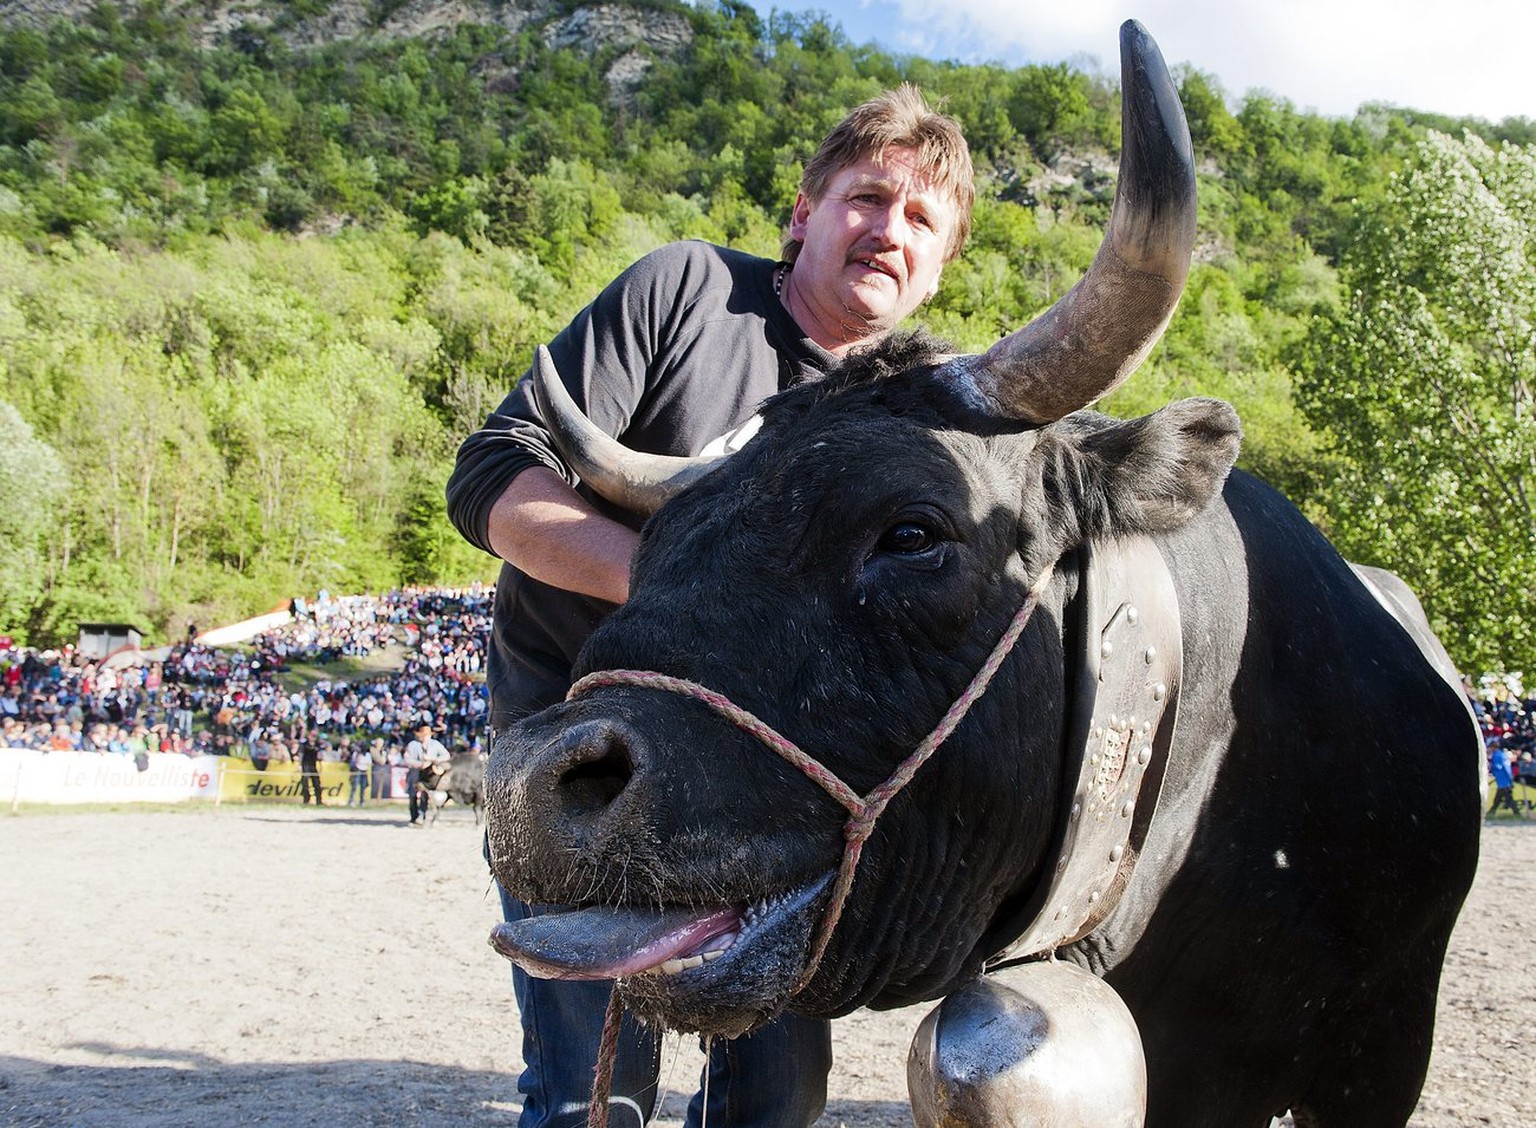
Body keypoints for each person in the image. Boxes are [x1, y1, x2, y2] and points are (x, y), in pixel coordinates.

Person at [447, 86, 974, 1128]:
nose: (889, 229)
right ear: (802, 213)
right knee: (592, 1101)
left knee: (777, 1104)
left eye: (923, 220)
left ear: (940, 267)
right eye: (868, 197)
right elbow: (493, 480)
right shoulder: (685, 291)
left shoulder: (906, 419)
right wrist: (688, 583)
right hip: (584, 762)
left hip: (767, 796)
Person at [404, 722, 449, 825]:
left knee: (425, 794)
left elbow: (446, 755)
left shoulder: (435, 744)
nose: (424, 738)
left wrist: (434, 760)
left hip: (429, 773)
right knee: (412, 795)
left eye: (426, 735)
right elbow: (408, 759)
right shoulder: (412, 745)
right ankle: (413, 816)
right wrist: (419, 764)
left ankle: (421, 815)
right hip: (415, 771)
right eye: (422, 735)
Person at [1487, 739, 1525, 819]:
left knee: (1508, 799)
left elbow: (1498, 767)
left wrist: (1490, 766)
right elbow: (1507, 768)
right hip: (1504, 781)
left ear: (1493, 747)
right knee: (1500, 798)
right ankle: (1491, 812)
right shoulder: (1502, 755)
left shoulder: (1497, 755)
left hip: (1503, 781)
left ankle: (1517, 814)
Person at [347, 738, 372, 807]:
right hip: (357, 770)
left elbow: (369, 763)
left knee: (363, 787)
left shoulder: (367, 754)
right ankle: (351, 800)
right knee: (354, 786)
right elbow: (354, 762)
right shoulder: (356, 754)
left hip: (364, 771)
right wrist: (358, 757)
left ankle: (362, 801)